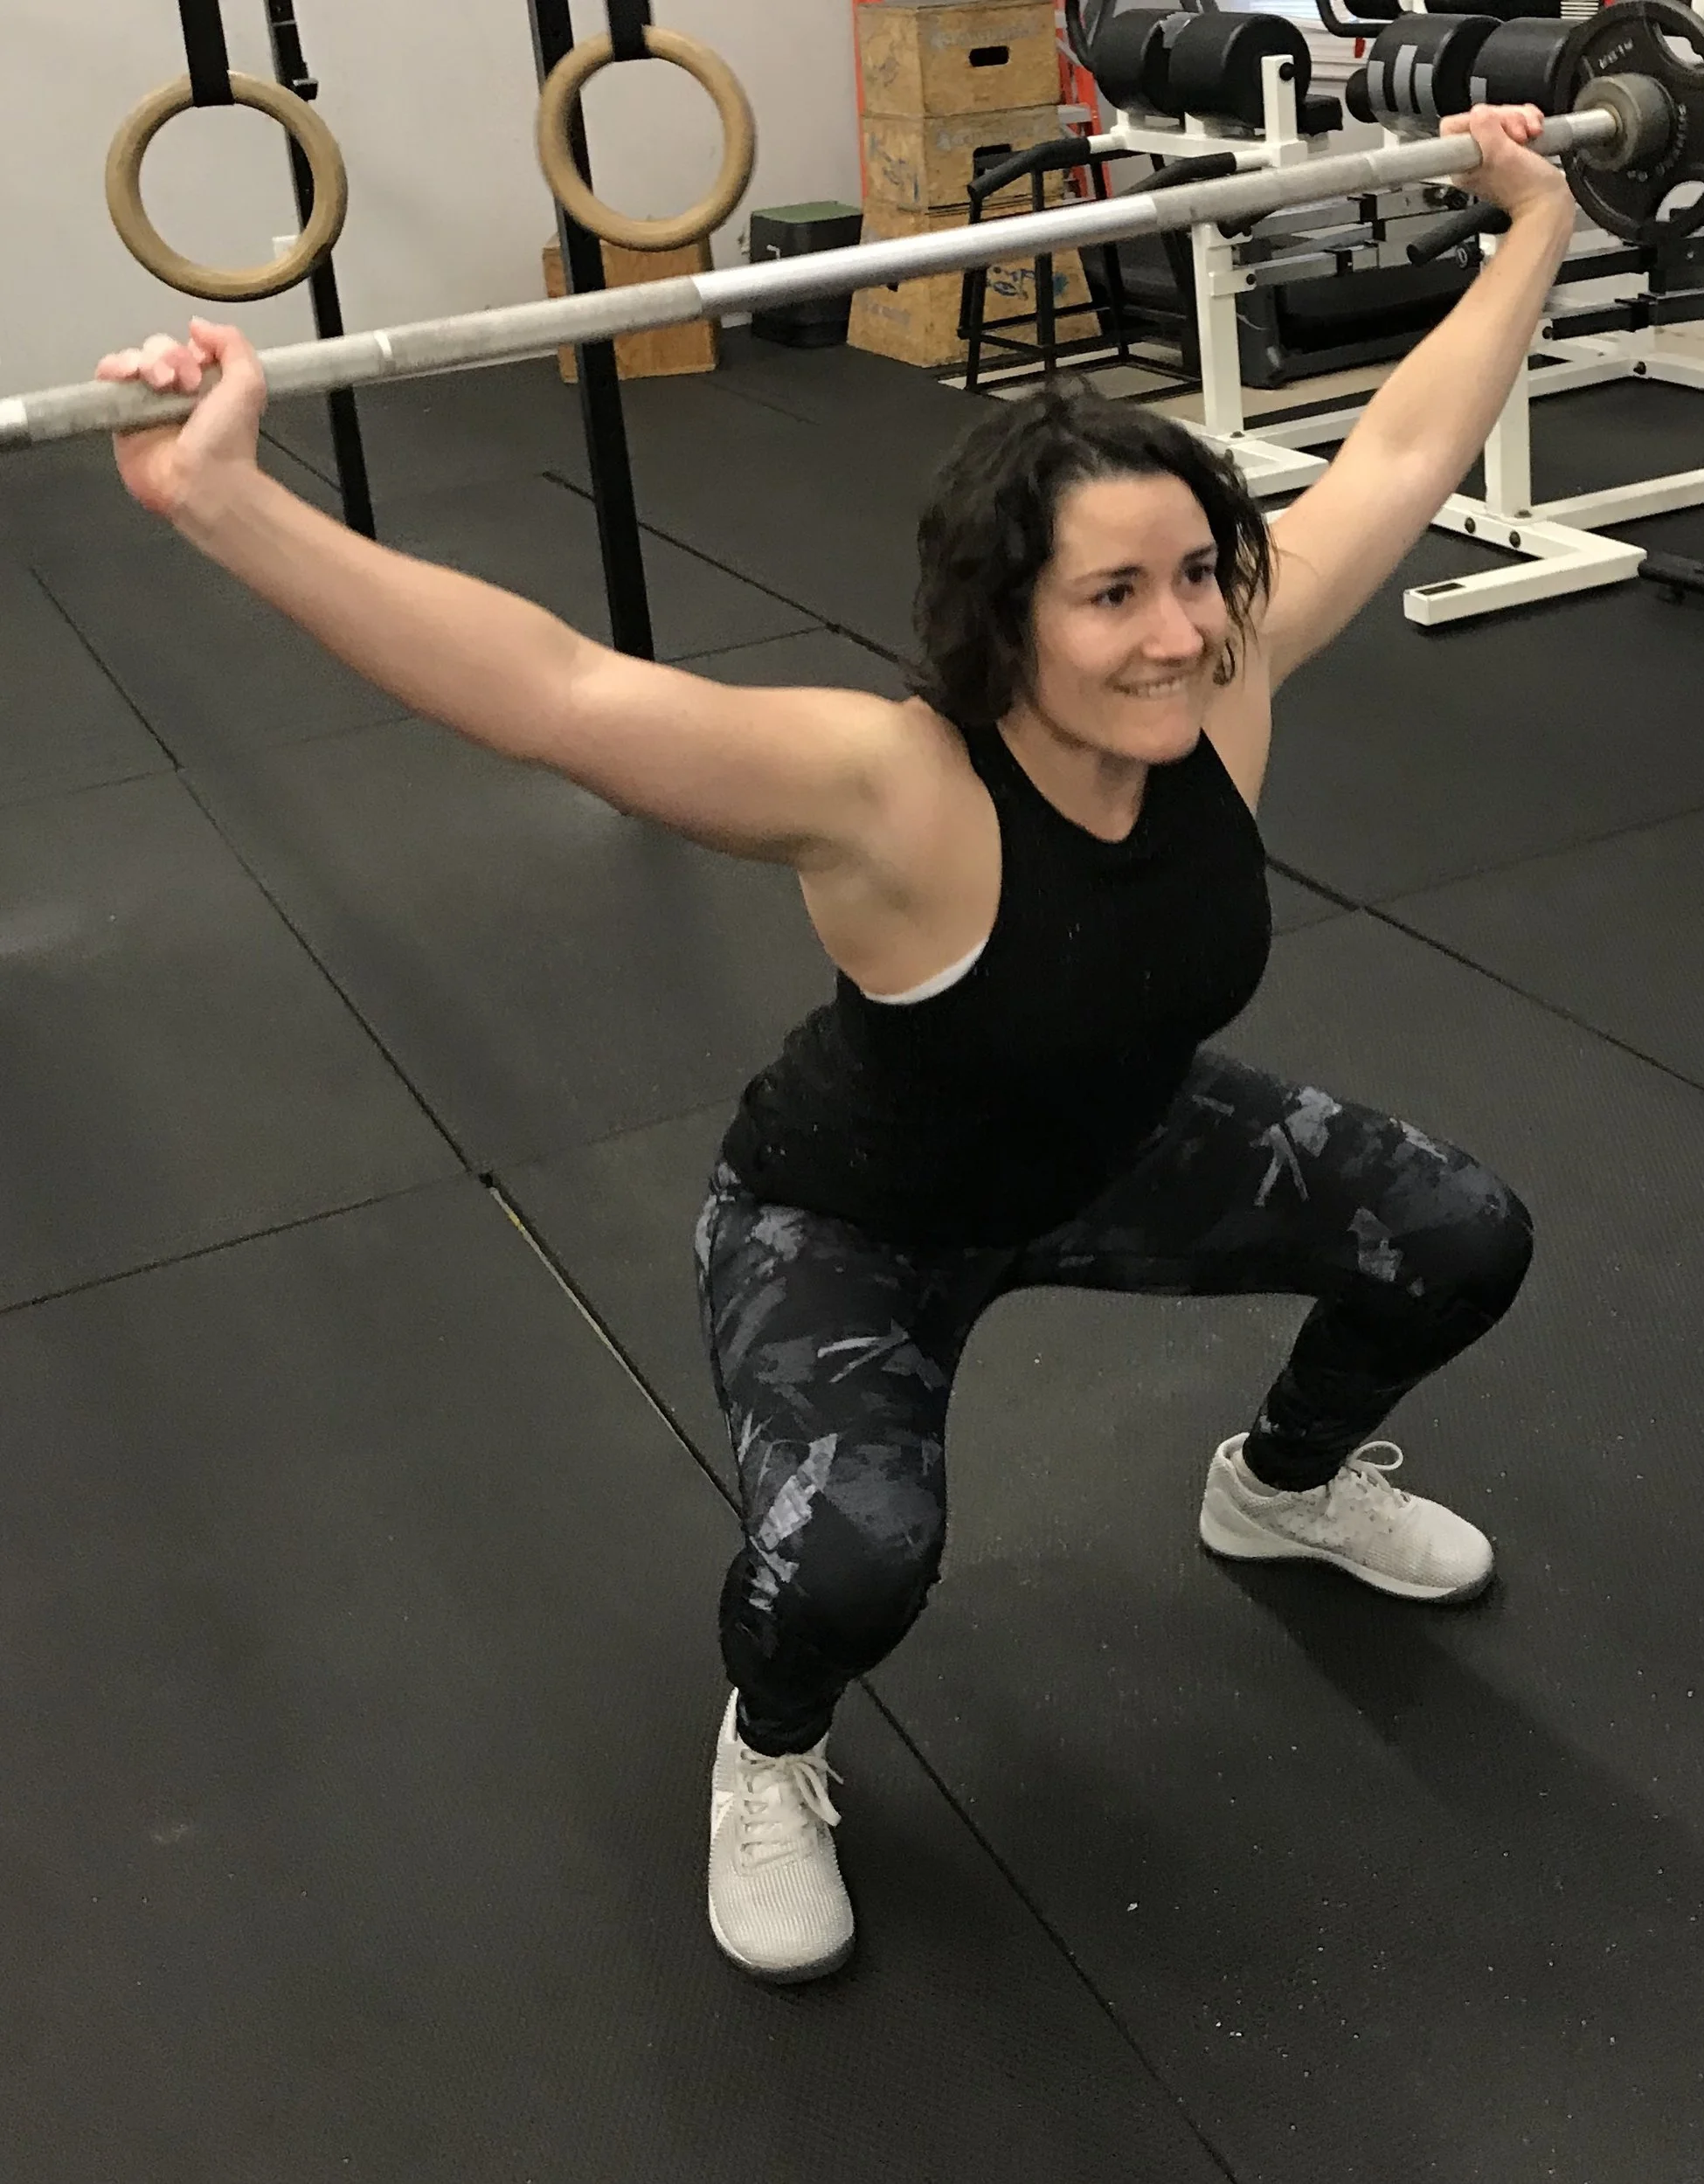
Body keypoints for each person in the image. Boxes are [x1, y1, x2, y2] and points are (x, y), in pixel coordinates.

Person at [100, 106, 1570, 1986]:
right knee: (852, 1561)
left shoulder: (1227, 678)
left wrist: (1532, 218)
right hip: (857, 1218)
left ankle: (1280, 1489)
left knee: (1460, 1233)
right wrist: (226, 503)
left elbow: (1405, 450)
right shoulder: (890, 786)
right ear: (1001, 616)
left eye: (1199, 572)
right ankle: (769, 1749)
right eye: (1112, 593)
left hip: (1120, 1147)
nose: (1179, 629)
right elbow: (554, 690)